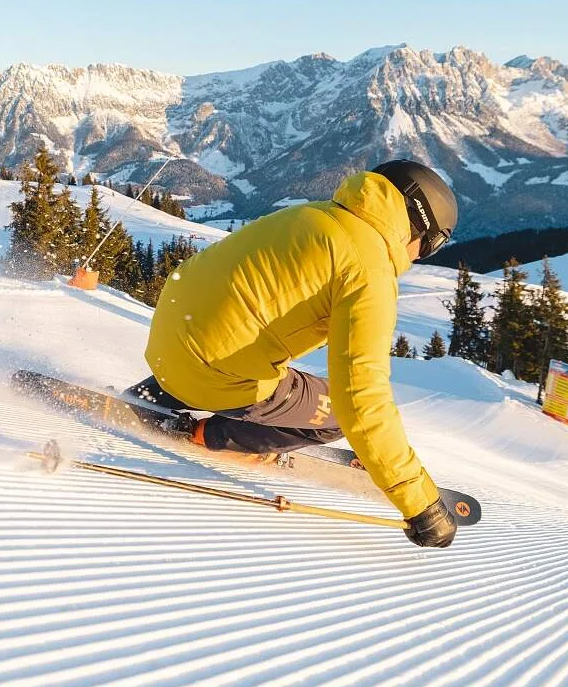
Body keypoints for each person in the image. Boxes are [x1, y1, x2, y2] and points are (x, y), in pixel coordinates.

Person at [126, 160, 461, 548]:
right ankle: (204, 434)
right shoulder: (369, 271)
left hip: (169, 342)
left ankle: (162, 392)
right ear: (419, 224)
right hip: (212, 371)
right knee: (335, 415)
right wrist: (420, 503)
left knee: (245, 354)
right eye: (434, 245)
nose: (421, 256)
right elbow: (362, 399)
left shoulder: (313, 215)